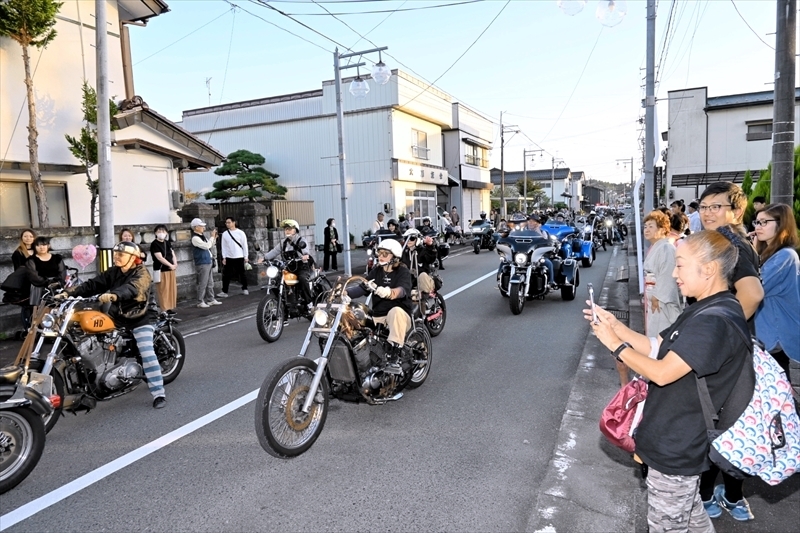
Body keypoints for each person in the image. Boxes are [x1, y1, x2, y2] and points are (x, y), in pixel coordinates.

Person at [587, 230, 751, 533]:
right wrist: (617, 327)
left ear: (710, 269)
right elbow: (655, 347)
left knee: (667, 526)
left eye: (680, 265)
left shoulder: (714, 320)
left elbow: (662, 372)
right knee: (691, 519)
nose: (674, 274)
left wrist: (615, 346)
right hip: (676, 439)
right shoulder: (703, 307)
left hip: (678, 446)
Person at [695, 183, 762, 522]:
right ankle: (721, 495)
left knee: (720, 425)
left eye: (716, 206)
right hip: (732, 354)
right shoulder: (724, 241)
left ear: (736, 211)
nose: (707, 212)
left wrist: (717, 334)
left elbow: (751, 294)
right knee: (728, 426)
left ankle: (714, 495)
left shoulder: (731, 243)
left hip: (728, 357)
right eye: (704, 206)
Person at [58, 242, 166, 409]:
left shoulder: (142, 273)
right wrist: (68, 293)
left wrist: (114, 295)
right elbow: (93, 284)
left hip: (141, 316)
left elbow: (133, 288)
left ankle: (158, 393)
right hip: (118, 316)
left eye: (120, 254)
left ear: (133, 258)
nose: (116, 257)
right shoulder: (114, 272)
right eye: (116, 253)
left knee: (147, 352)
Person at [753, 204, 800, 384]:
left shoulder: (784, 256)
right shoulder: (771, 253)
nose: (758, 227)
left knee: (776, 387)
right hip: (771, 328)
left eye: (764, 222)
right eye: (757, 222)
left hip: (775, 331)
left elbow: (757, 285)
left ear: (781, 225)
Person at [347, 238, 412, 362]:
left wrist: (389, 292)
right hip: (379, 316)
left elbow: (402, 290)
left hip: (400, 317)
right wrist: (344, 292)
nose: (380, 256)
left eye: (385, 254)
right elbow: (363, 287)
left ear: (395, 256)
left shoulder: (403, 271)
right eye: (379, 253)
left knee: (395, 311)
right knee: (357, 313)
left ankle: (395, 353)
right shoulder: (376, 271)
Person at [643, 211, 682, 337]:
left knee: (660, 336)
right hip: (653, 298)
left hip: (661, 302)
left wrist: (657, 297)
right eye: (645, 227)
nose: (646, 230)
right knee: (653, 334)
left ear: (662, 229)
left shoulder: (666, 248)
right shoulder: (658, 247)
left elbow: (667, 275)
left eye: (651, 226)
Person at [264, 219, 315, 311]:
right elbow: (274, 252)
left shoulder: (301, 240)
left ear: (295, 230)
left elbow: (305, 250)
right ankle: (284, 310)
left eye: (290, 229)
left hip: (301, 267)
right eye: (286, 229)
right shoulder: (283, 243)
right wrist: (264, 258)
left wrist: (305, 255)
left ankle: (309, 302)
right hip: (289, 267)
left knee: (303, 279)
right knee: (278, 280)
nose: (287, 231)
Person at [401, 230, 438, 311]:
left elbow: (431, 258)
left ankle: (424, 302)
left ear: (417, 239)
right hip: (410, 281)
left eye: (412, 238)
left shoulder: (423, 250)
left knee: (422, 276)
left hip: (423, 281)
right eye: (406, 238)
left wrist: (430, 246)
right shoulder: (404, 252)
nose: (408, 241)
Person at [25, 236, 66, 306]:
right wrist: (47, 282)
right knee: (39, 310)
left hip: (57, 286)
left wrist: (57, 282)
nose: (41, 247)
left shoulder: (57, 258)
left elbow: (62, 272)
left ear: (48, 246)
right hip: (39, 287)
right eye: (38, 245)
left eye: (44, 245)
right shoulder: (31, 260)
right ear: (34, 247)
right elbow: (33, 275)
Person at [190, 218, 221, 309]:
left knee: (210, 282)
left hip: (208, 261)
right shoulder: (195, 238)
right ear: (195, 227)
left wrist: (214, 238)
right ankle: (200, 301)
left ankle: (211, 299)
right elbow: (206, 246)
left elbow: (210, 245)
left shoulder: (202, 236)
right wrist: (212, 237)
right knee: (203, 283)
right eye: (201, 226)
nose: (204, 227)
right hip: (202, 262)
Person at [219, 217, 249, 297]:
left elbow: (244, 245)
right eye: (226, 223)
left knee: (242, 273)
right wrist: (224, 257)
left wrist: (246, 256)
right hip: (229, 256)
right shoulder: (225, 234)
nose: (227, 224)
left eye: (229, 222)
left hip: (239, 256)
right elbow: (224, 246)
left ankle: (245, 288)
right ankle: (224, 291)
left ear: (233, 222)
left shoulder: (240, 233)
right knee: (226, 274)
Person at [11, 229, 35, 328]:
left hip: (39, 282)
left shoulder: (39, 250)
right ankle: (27, 329)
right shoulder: (18, 253)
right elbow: (18, 270)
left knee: (38, 306)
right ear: (22, 238)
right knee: (27, 306)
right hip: (26, 283)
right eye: (25, 236)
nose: (28, 238)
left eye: (30, 236)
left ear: (34, 238)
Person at [149, 225, 177, 312]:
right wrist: (170, 265)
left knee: (171, 289)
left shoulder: (167, 242)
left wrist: (175, 263)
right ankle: (164, 309)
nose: (161, 233)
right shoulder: (154, 244)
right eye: (159, 231)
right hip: (161, 270)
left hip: (170, 269)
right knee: (163, 290)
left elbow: (172, 253)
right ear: (155, 233)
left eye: (163, 231)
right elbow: (159, 257)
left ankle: (170, 308)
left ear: (166, 233)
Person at [525, 214, 557, 288]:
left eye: (533, 221)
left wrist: (538, 231)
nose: (530, 223)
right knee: (506, 261)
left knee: (549, 264)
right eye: (529, 221)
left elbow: (546, 241)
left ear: (538, 223)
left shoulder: (542, 232)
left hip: (539, 255)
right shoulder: (523, 231)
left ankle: (551, 282)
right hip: (525, 255)